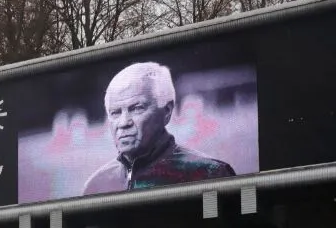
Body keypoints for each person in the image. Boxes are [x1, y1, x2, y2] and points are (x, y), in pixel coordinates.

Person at [82, 62, 235, 195]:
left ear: (167, 111)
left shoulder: (209, 174)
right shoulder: (95, 185)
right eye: (115, 112)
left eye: (136, 108)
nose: (123, 123)